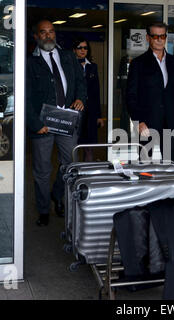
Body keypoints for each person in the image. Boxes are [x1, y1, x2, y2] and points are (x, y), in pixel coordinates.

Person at [26, 20, 87, 226]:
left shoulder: (68, 57)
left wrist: (81, 99)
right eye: (43, 32)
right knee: (42, 170)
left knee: (69, 165)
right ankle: (43, 210)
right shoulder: (29, 62)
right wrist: (35, 123)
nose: (48, 36)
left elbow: (80, 82)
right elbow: (24, 96)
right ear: (36, 36)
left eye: (51, 32)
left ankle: (58, 196)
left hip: (66, 121)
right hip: (42, 124)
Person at [126, 22, 174, 161]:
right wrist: (138, 121)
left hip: (170, 121)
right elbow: (131, 95)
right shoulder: (138, 63)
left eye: (162, 36)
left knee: (170, 163)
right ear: (147, 38)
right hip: (147, 122)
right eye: (155, 36)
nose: (159, 39)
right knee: (145, 162)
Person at [73, 37, 104, 161]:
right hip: (75, 110)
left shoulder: (93, 67)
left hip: (90, 112)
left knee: (89, 146)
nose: (82, 50)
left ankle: (86, 173)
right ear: (74, 50)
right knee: (73, 145)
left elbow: (96, 92)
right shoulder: (70, 65)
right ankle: (74, 172)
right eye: (79, 47)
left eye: (85, 48)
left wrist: (99, 115)